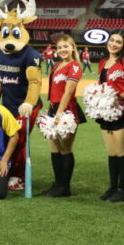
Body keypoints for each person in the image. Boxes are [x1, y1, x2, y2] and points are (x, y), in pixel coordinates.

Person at [41, 35, 87, 197]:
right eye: (59, 47)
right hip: (54, 108)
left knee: (65, 148)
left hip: (67, 111)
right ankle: (57, 184)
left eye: (66, 46)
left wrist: (59, 114)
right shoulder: (57, 65)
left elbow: (68, 93)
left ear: (72, 47)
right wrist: (51, 111)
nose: (62, 50)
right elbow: (54, 90)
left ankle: (65, 187)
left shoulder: (75, 66)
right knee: (54, 148)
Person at [96, 29, 124, 203]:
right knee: (111, 152)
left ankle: (122, 189)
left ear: (123, 45)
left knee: (121, 152)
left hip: (121, 110)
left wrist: (117, 98)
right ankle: (113, 187)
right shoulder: (102, 62)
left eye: (118, 42)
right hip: (105, 111)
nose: (113, 44)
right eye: (112, 40)